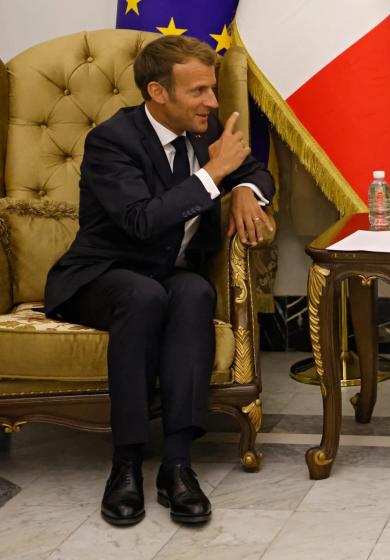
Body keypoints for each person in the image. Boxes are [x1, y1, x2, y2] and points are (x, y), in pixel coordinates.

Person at [45, 35, 275, 527]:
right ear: (157, 92)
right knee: (143, 294)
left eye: (212, 90)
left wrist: (246, 192)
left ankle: (177, 466)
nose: (212, 103)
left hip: (168, 274)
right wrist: (216, 176)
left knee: (194, 290)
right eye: (198, 92)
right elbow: (141, 222)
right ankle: (125, 464)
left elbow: (254, 171)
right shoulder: (113, 141)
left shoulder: (203, 128)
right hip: (100, 275)